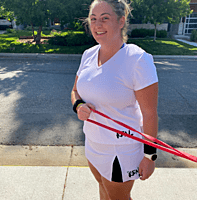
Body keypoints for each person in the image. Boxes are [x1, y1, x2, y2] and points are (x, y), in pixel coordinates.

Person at [71, 0, 158, 199]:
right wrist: (78, 105)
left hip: (121, 150)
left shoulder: (138, 59)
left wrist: (149, 156)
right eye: (93, 19)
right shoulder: (88, 55)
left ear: (121, 21)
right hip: (93, 144)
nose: (97, 25)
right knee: (103, 190)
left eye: (105, 19)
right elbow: (75, 90)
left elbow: (150, 113)